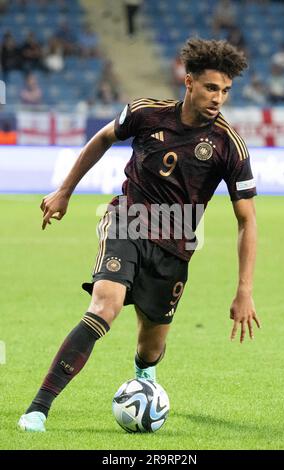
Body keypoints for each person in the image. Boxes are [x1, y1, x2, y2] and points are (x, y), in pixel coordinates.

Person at [18, 37, 261, 432]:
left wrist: (244, 289)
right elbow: (102, 139)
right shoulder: (147, 113)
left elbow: (247, 220)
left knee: (150, 349)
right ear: (189, 82)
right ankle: (37, 409)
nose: (219, 98)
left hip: (176, 246)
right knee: (104, 308)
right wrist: (65, 191)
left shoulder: (228, 145)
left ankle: (143, 378)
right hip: (127, 222)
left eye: (225, 91)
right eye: (211, 87)